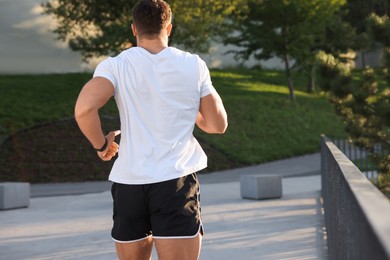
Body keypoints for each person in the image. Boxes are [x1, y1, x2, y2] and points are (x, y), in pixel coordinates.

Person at [74, 0, 228, 259]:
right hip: (174, 182)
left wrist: (102, 145)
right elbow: (217, 124)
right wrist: (195, 117)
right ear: (168, 28)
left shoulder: (115, 65)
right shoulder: (194, 64)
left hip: (129, 184)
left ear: (134, 29)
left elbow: (83, 110)